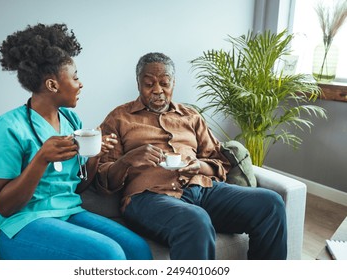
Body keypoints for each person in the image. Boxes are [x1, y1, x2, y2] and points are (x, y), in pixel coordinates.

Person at [0, 23, 152, 260]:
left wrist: (94, 154)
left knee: (138, 249)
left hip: (68, 211)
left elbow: (79, 185)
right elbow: (4, 206)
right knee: (109, 255)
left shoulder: (71, 120)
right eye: (75, 77)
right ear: (52, 85)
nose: (80, 83)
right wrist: (41, 159)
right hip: (19, 223)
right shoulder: (7, 128)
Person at [97, 52, 287, 260]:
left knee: (270, 203)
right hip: (148, 197)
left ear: (173, 84)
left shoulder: (191, 117)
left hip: (202, 189)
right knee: (195, 220)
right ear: (138, 84)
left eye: (164, 83)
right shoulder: (119, 118)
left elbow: (220, 162)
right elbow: (104, 179)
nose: (158, 90)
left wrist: (200, 166)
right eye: (149, 84)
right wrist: (128, 159)